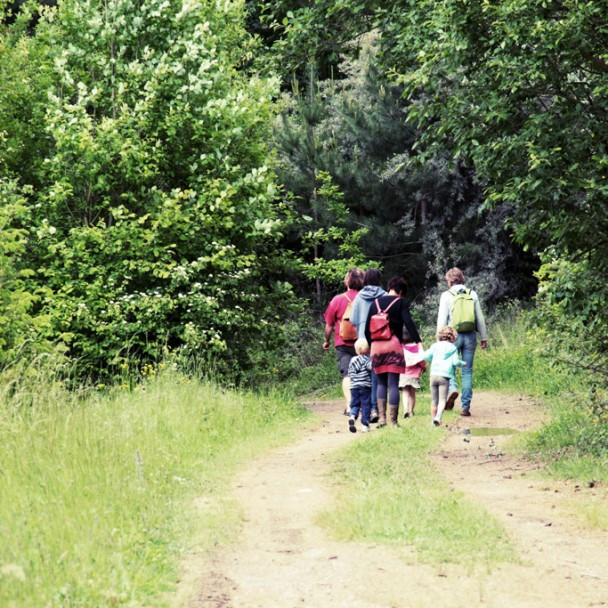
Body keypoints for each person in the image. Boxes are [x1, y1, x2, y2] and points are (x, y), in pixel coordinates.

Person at [364, 276, 421, 427]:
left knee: (381, 384)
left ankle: (382, 419)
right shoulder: (401, 302)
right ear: (401, 291)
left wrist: (372, 347)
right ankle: (394, 421)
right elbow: (408, 322)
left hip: (376, 347)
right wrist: (418, 341)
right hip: (393, 346)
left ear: (389, 287)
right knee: (393, 384)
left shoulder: (375, 303)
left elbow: (365, 330)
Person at [437, 267, 488, 417]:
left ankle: (452, 388)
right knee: (467, 371)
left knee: (449, 367)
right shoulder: (472, 294)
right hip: (470, 336)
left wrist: (439, 339)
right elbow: (479, 319)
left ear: (449, 280)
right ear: (461, 278)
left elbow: (442, 320)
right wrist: (483, 337)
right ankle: (465, 407)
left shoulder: (446, 295)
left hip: (452, 336)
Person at [323, 268, 365, 414]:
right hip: (364, 343)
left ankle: (350, 406)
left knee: (347, 374)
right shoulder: (367, 298)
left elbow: (329, 324)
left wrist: (326, 341)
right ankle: (364, 405)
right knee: (364, 374)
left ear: (347, 281)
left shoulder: (338, 299)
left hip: (343, 343)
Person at [349, 268, 386, 423]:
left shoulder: (359, 297)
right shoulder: (384, 295)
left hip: (363, 341)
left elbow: (352, 320)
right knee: (376, 374)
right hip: (380, 340)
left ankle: (361, 407)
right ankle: (374, 409)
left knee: (364, 375)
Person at [423, 326, 466, 426]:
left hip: (433, 375)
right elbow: (455, 362)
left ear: (440, 335)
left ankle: (433, 422)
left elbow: (426, 356)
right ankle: (438, 417)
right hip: (444, 377)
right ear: (453, 337)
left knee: (434, 400)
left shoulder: (435, 346)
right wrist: (462, 363)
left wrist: (431, 359)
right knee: (442, 400)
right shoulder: (453, 348)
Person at [347, 338, 373, 433]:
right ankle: (365, 425)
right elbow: (371, 368)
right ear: (367, 349)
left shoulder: (352, 360)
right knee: (365, 405)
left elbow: (349, 373)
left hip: (353, 387)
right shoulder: (367, 360)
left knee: (355, 404)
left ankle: (352, 417)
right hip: (365, 387)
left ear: (356, 349)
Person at [399, 335, 426, 418]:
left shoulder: (401, 347)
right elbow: (421, 359)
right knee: (412, 393)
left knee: (405, 392)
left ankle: (405, 409)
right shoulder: (417, 347)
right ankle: (411, 411)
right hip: (414, 375)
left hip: (404, 373)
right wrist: (424, 367)